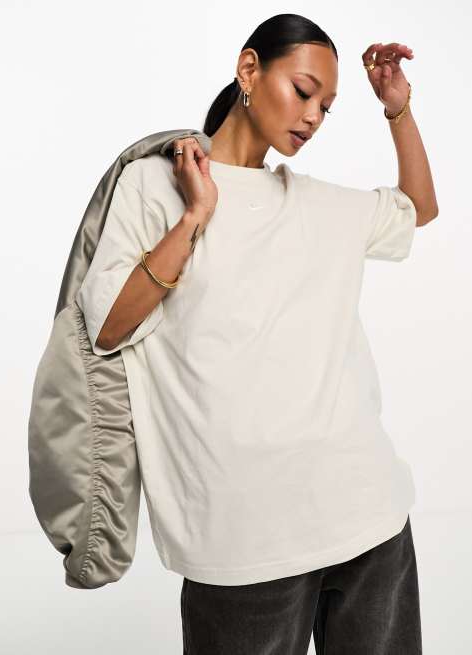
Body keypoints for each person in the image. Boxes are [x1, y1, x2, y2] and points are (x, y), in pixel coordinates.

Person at [76, 13, 438, 655]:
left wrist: (398, 109)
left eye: (326, 107)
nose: (313, 117)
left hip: (368, 517)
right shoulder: (155, 184)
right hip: (241, 542)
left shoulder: (318, 202)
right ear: (249, 69)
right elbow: (106, 326)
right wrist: (195, 215)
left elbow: (418, 209)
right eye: (303, 91)